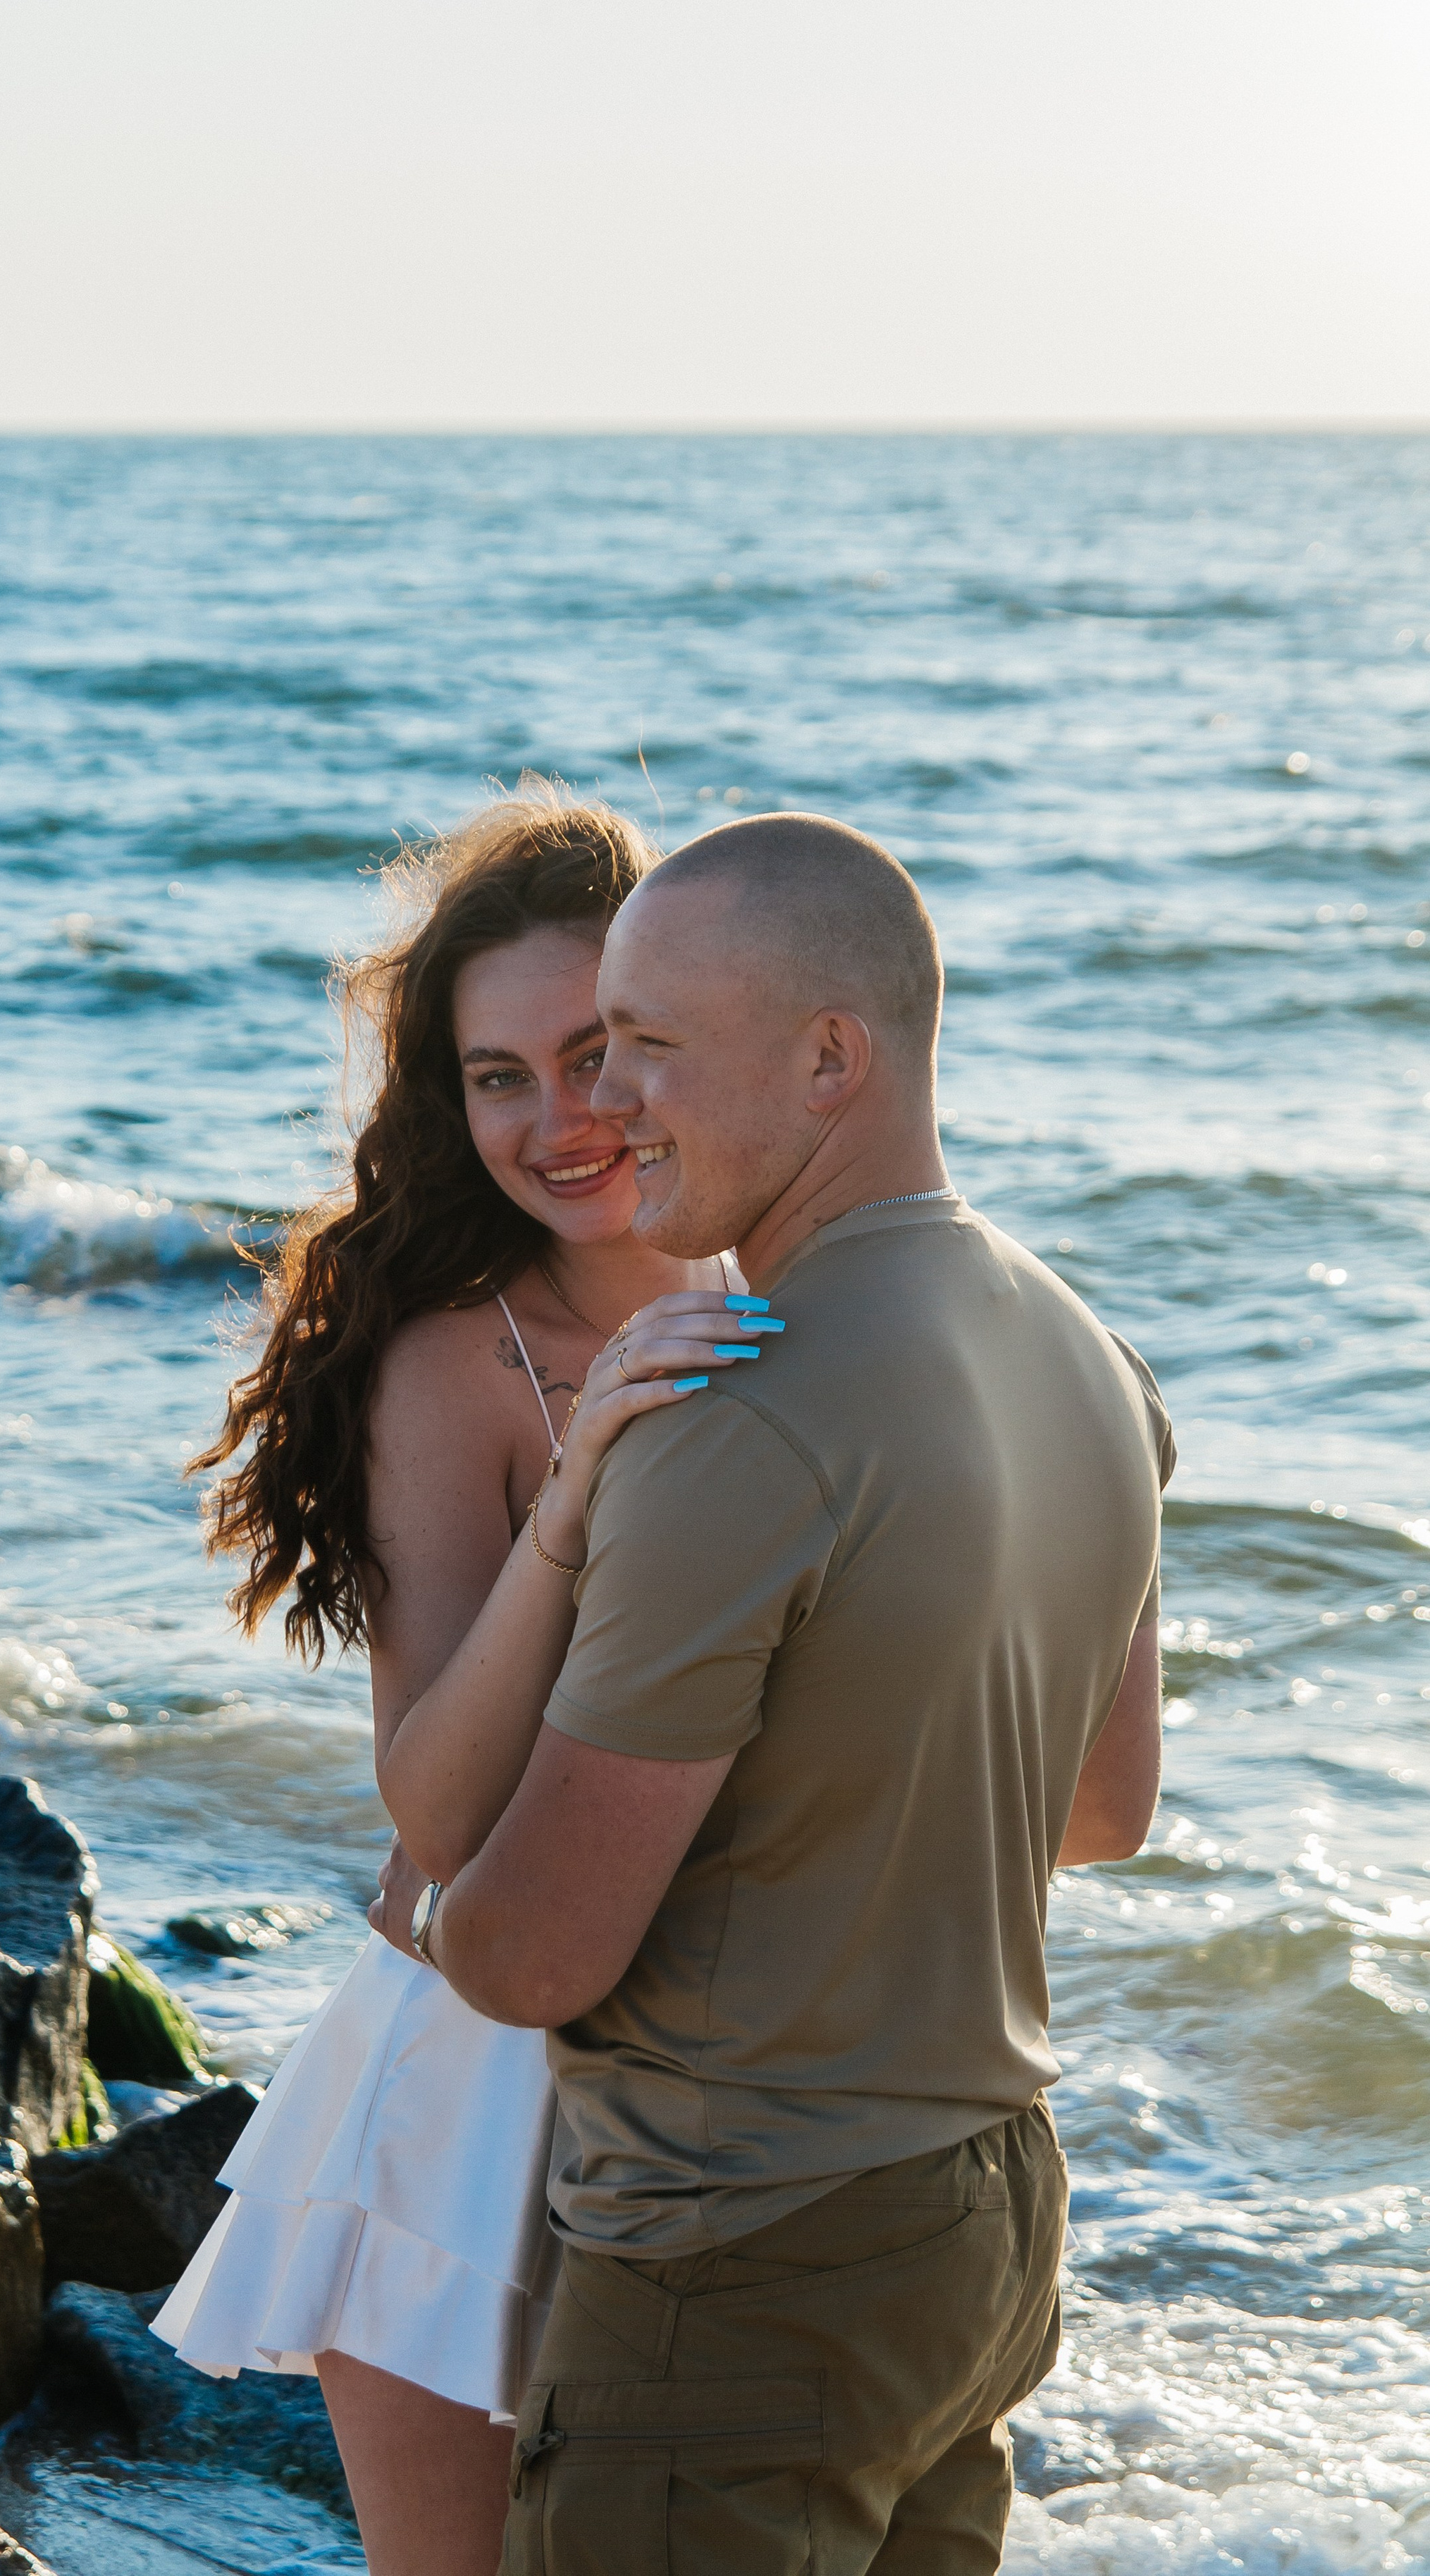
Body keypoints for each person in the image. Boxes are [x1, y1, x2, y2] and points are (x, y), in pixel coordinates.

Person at [370, 811, 1175, 2575]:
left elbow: (524, 1960)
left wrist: (428, 1909)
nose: (610, 1101)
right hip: (982, 2224)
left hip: (738, 2262)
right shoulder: (1087, 1355)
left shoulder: (723, 1423)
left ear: (828, 1060)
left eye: (647, 1046)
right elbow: (1101, 1811)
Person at [153, 790, 769, 2576]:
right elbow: (429, 1802)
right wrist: (576, 1497)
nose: (556, 1121)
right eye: (497, 1076)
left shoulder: (805, 1298)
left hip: (742, 2080)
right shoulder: (458, 1363)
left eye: (594, 1055)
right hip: (474, 2091)